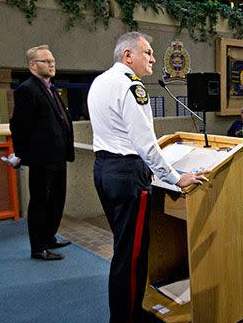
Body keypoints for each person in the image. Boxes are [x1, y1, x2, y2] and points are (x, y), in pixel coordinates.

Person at [87, 32, 209, 322]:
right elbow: (145, 145)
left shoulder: (100, 81)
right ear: (128, 55)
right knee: (132, 255)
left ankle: (127, 311)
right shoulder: (132, 87)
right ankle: (126, 318)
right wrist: (177, 178)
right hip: (128, 174)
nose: (154, 58)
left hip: (103, 170)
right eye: (148, 52)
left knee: (124, 248)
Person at [10, 45, 74, 261]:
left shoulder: (49, 87)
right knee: (40, 202)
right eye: (46, 61)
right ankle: (38, 248)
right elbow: (19, 126)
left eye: (53, 60)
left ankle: (49, 237)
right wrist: (22, 155)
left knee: (56, 199)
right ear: (33, 65)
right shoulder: (27, 89)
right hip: (41, 158)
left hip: (57, 156)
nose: (52, 63)